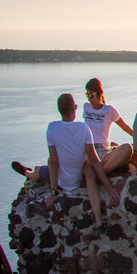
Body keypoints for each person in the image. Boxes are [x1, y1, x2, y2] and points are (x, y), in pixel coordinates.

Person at [40, 92, 118, 227]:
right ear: (75, 108)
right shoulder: (83, 128)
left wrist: (53, 191)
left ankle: (28, 173)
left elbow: (53, 162)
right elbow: (94, 160)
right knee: (89, 167)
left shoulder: (51, 128)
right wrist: (109, 188)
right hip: (77, 177)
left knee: (39, 171)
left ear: (59, 109)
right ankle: (98, 220)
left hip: (61, 181)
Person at [81, 78, 133, 174]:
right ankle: (103, 172)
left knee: (127, 148)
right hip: (88, 150)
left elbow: (125, 127)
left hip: (103, 152)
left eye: (91, 95)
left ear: (99, 94)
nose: (89, 98)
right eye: (87, 95)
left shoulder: (109, 110)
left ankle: (102, 172)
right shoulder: (86, 107)